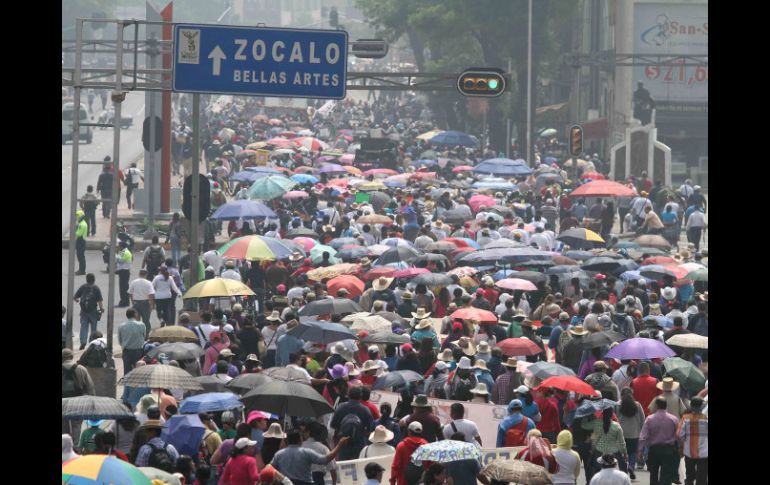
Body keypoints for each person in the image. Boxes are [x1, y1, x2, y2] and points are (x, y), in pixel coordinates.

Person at [270, 429, 349, 485]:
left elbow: (270, 468)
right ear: (300, 439)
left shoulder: (278, 454)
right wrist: (339, 445)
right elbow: (325, 460)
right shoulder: (306, 452)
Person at [639, 397, 680, 485]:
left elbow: (643, 436)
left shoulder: (649, 419)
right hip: (668, 450)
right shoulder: (674, 419)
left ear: (657, 405)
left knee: (653, 474)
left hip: (654, 450)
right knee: (666, 474)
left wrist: (640, 451)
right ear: (666, 406)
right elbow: (678, 436)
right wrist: (680, 448)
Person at [329, 386, 374, 460]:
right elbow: (370, 428)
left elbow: (333, 425)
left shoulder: (341, 407)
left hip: (342, 444)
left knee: (343, 467)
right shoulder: (365, 410)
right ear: (360, 396)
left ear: (348, 395)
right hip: (359, 444)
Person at [582, 408, 629, 476]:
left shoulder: (596, 423)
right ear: (612, 415)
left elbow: (584, 425)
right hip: (614, 453)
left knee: (598, 475)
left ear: (602, 414)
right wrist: (625, 453)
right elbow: (622, 443)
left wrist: (586, 416)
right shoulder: (617, 426)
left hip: (599, 452)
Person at [677, 397, 708, 485]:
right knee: (702, 477)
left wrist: (684, 443)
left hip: (689, 451)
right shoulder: (706, 419)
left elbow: (679, 434)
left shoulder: (685, 418)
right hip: (704, 453)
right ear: (701, 407)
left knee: (690, 475)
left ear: (691, 406)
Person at [617, 388, 645, 480]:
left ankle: (623, 471)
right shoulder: (637, 405)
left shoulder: (618, 405)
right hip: (634, 433)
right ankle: (631, 467)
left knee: (621, 452)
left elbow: (614, 418)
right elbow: (642, 419)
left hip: (621, 433)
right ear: (632, 394)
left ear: (621, 395)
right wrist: (642, 432)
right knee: (633, 452)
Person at [73, 273, 104, 350]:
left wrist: (77, 300)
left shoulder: (83, 287)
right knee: (93, 328)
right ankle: (92, 343)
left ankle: (83, 342)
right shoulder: (96, 288)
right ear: (94, 280)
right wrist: (101, 309)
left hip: (84, 311)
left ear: (86, 279)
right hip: (93, 311)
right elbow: (100, 300)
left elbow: (75, 297)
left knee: (84, 327)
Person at [118, 308, 146, 375]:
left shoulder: (121, 326)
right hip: (138, 351)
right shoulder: (141, 324)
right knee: (138, 372)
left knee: (127, 372)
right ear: (135, 315)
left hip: (126, 351)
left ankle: (127, 385)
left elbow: (120, 340)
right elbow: (144, 336)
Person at [128, 269, 156, 335]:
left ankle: (137, 334)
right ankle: (146, 335)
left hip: (136, 303)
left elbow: (130, 293)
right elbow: (151, 294)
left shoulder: (134, 282)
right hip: (145, 303)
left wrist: (132, 302)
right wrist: (151, 305)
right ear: (146, 274)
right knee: (146, 321)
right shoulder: (148, 283)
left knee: (136, 321)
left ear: (139, 274)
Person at [116, 241, 134, 307]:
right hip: (124, 271)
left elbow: (120, 260)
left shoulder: (125, 252)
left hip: (124, 271)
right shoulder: (124, 252)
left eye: (119, 246)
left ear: (122, 246)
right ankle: (125, 301)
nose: (118, 247)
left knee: (123, 288)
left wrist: (116, 255)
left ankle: (124, 301)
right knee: (124, 287)